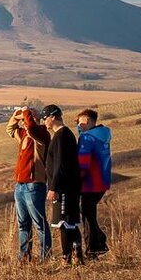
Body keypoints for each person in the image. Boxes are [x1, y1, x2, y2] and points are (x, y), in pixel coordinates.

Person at [5, 105, 51, 262]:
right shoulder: (23, 134)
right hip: (20, 184)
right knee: (23, 223)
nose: (24, 122)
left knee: (40, 224)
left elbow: (31, 127)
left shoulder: (41, 133)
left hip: (34, 184)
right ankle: (24, 256)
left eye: (27, 118)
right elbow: (10, 128)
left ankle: (45, 256)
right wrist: (18, 114)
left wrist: (26, 112)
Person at [41, 104, 83, 264]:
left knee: (64, 223)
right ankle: (77, 255)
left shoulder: (61, 136)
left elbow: (60, 164)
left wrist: (53, 187)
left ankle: (67, 258)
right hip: (68, 187)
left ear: (52, 117)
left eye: (45, 118)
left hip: (64, 188)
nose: (44, 122)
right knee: (70, 223)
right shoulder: (64, 135)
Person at [76, 108, 112, 258]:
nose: (79, 125)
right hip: (102, 181)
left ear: (89, 121)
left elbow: (82, 162)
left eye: (81, 122)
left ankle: (94, 248)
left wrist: (77, 180)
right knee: (89, 213)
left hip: (89, 182)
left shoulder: (87, 138)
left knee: (87, 214)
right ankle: (96, 246)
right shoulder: (103, 134)